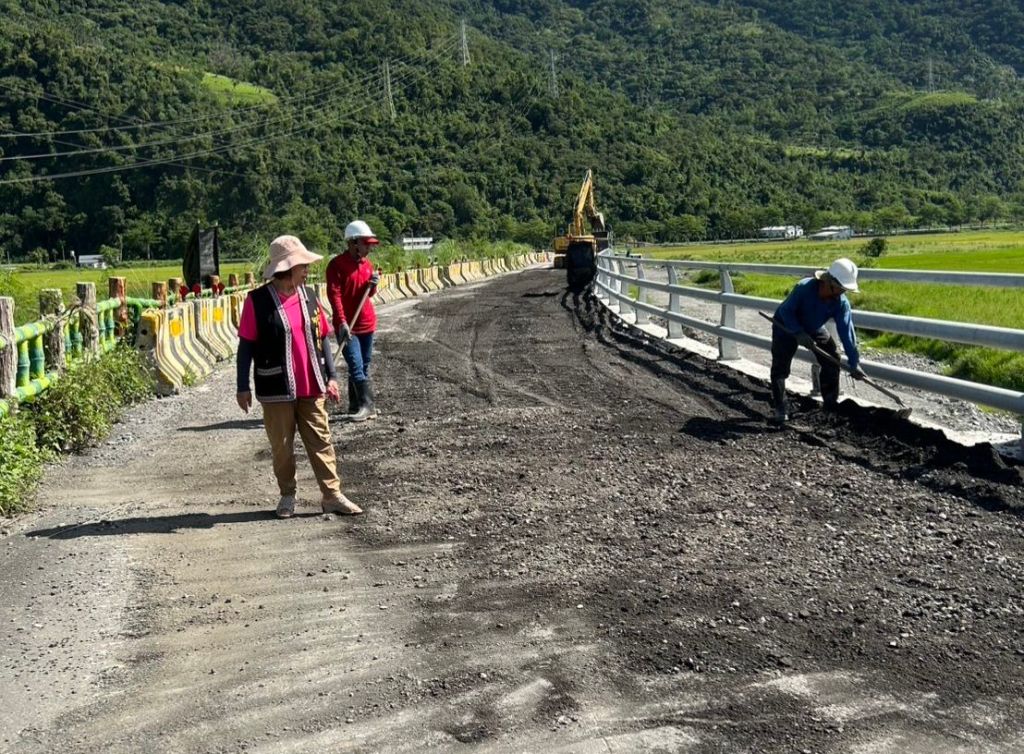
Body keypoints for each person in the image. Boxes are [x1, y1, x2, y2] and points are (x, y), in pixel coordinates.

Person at [236, 235, 363, 518]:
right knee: (282, 447)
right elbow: (246, 346)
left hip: (312, 383)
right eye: (302, 266)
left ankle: (332, 495)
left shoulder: (310, 297)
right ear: (287, 268)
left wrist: (331, 376)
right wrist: (242, 385)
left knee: (321, 440)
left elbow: (323, 336)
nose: (307, 270)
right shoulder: (257, 301)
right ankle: (287, 495)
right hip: (275, 387)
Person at [769, 257, 866, 423]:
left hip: (813, 326)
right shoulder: (804, 288)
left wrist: (854, 361)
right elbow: (786, 311)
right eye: (840, 289)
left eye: (845, 290)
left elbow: (847, 332)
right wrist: (798, 332)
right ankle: (781, 407)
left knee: (832, 358)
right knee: (780, 366)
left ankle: (830, 405)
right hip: (785, 325)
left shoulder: (841, 303)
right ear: (828, 282)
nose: (842, 293)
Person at [327, 219, 381, 422]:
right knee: (356, 364)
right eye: (366, 244)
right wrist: (341, 322)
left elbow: (368, 294)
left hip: (367, 322)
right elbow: (334, 296)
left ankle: (355, 404)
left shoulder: (367, 265)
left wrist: (373, 285)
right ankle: (368, 405)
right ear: (353, 242)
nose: (369, 248)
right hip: (347, 326)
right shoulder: (336, 266)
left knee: (363, 365)